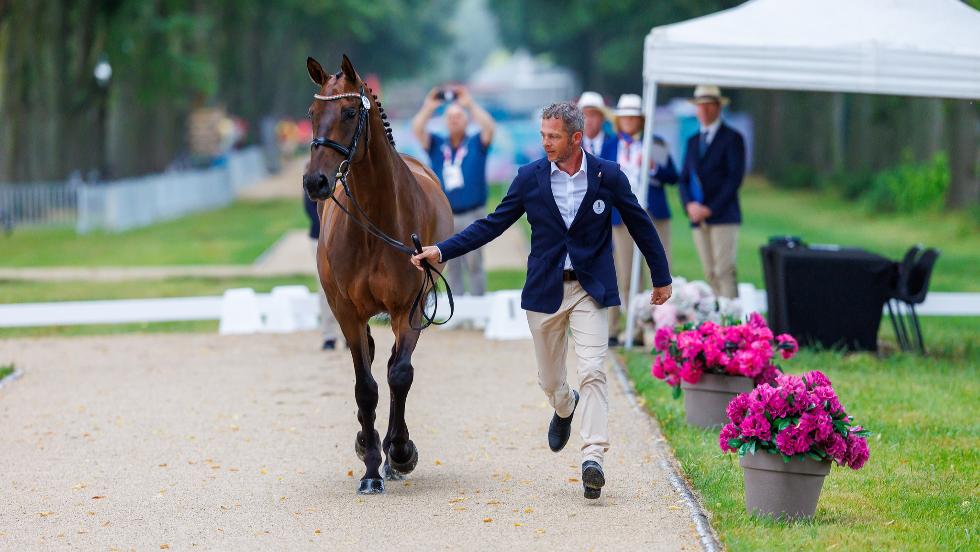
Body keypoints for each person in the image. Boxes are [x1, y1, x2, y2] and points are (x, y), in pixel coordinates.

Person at [411, 102, 672, 500]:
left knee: (594, 370)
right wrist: (442, 251)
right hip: (546, 291)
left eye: (553, 136)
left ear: (576, 138)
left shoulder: (608, 175)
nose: (545, 142)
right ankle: (564, 407)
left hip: (591, 289)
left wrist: (661, 276)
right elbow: (492, 224)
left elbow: (639, 221)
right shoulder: (530, 177)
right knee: (552, 381)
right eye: (543, 135)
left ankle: (593, 458)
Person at [608, 93, 679, 346]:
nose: (628, 120)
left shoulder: (654, 142)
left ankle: (663, 330)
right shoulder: (612, 144)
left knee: (659, 269)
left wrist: (652, 167)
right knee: (626, 274)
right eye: (624, 116)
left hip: (653, 212)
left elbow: (672, 175)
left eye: (633, 116)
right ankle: (634, 330)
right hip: (622, 215)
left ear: (641, 119)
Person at [411, 85, 495, 297]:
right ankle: (458, 308)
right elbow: (418, 130)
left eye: (459, 116)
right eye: (450, 116)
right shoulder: (438, 144)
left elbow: (489, 128)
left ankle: (477, 306)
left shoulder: (476, 142)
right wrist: (429, 107)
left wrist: (470, 104)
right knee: (449, 261)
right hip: (446, 214)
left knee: (474, 261)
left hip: (473, 213)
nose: (454, 119)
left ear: (467, 120)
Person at [678, 85, 746, 299]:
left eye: (709, 106)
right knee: (710, 272)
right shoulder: (692, 141)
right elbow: (684, 179)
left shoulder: (732, 138)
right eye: (701, 106)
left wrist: (710, 208)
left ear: (718, 108)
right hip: (698, 217)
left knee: (724, 270)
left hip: (723, 215)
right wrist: (689, 205)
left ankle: (732, 325)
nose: (704, 110)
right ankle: (719, 324)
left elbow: (734, 179)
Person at [304, 191, 341, 350]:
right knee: (324, 285)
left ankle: (350, 334)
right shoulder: (311, 167)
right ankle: (329, 335)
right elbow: (309, 204)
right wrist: (326, 227)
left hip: (345, 234)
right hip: (321, 234)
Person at [577, 91, 617, 159]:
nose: (588, 120)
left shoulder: (615, 143)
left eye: (592, 115)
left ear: (603, 118)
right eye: (584, 115)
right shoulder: (573, 145)